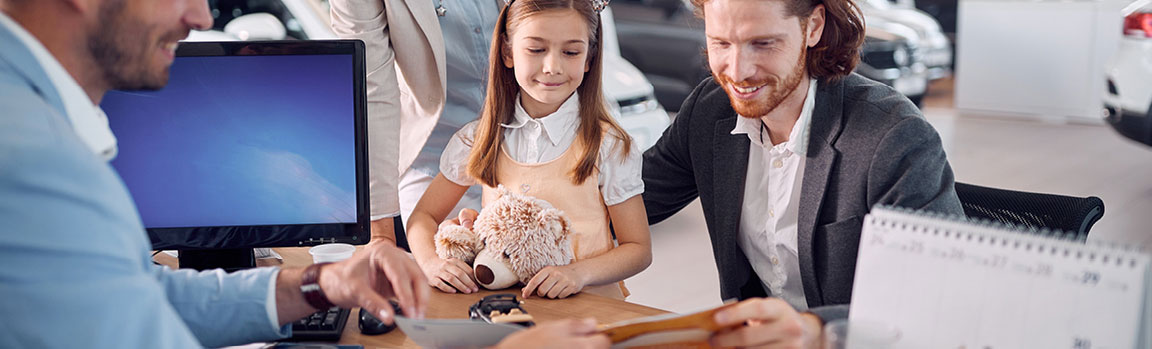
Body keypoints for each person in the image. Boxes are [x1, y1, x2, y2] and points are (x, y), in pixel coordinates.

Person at [0, 0, 607, 347]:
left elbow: (145, 295)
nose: (199, 13)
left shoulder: (37, 121)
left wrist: (322, 286)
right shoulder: (34, 159)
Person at [640, 0, 965, 347]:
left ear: (813, 27)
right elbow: (629, 201)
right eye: (721, 43)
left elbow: (937, 295)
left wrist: (816, 328)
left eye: (762, 43)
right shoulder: (710, 109)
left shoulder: (892, 136)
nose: (737, 71)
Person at [406, 0, 653, 300]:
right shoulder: (477, 139)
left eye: (571, 52)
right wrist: (433, 264)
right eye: (536, 50)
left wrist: (579, 273)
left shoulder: (609, 146)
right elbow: (422, 217)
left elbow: (638, 249)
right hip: (510, 315)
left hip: (592, 316)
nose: (553, 67)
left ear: (589, 59)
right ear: (508, 52)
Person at [328, 0, 501, 246]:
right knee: (450, 263)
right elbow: (372, 90)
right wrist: (381, 240)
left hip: (538, 145)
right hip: (434, 161)